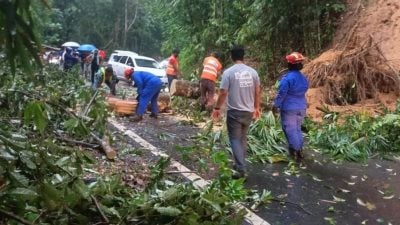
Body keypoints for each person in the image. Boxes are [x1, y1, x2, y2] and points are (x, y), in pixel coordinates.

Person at [212, 46, 261, 179]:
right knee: (242, 138)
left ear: (231, 57)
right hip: (248, 111)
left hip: (234, 111)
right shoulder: (253, 72)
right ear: (243, 56)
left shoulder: (228, 72)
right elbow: (257, 91)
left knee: (234, 138)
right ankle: (239, 162)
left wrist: (217, 108)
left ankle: (240, 167)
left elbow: (223, 92)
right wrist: (257, 107)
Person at [273, 52, 309, 161]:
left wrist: (275, 106)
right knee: (297, 129)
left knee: (290, 130)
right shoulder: (304, 78)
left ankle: (295, 152)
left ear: (290, 65)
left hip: (289, 108)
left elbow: (281, 94)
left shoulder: (287, 79)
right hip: (301, 107)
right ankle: (300, 150)